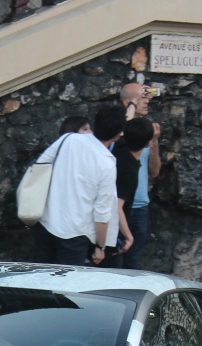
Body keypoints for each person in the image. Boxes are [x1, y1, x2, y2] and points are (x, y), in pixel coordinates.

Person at [32, 106, 122, 266]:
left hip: (46, 221)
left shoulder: (69, 139)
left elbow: (40, 165)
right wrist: (100, 247)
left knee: (40, 280)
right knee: (64, 287)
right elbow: (102, 212)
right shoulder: (106, 163)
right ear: (117, 135)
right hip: (75, 234)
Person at [118, 83, 162, 269]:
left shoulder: (147, 131)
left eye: (148, 96)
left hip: (140, 206)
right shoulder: (118, 132)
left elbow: (154, 172)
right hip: (120, 206)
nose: (147, 101)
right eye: (141, 97)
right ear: (128, 102)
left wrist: (154, 143)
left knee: (133, 264)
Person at [109, 117, 155, 268]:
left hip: (130, 209)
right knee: (121, 264)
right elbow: (117, 205)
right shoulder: (129, 171)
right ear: (148, 143)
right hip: (118, 215)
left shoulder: (119, 146)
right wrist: (129, 237)